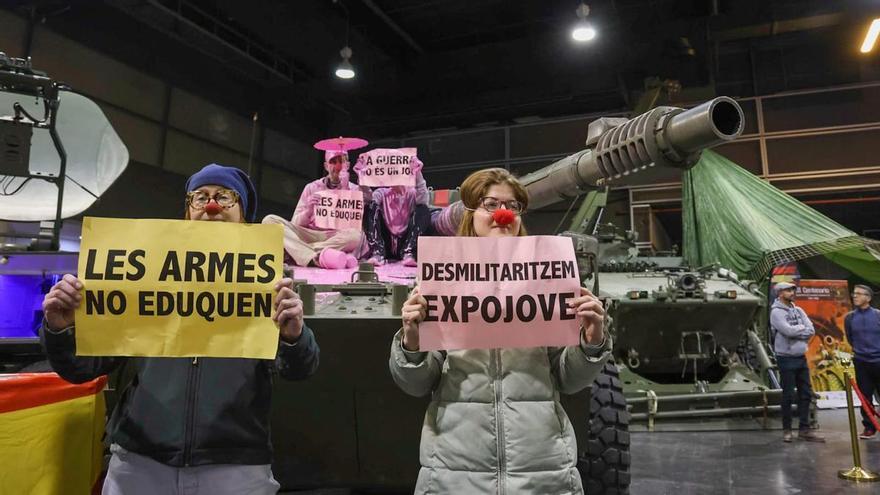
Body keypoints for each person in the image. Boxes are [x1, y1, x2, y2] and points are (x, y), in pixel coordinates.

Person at [41, 164, 320, 495]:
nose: (211, 205)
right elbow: (82, 368)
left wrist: (294, 336)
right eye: (200, 197)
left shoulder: (270, 285)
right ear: (187, 210)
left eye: (224, 197)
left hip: (235, 468)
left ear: (244, 214)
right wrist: (59, 328)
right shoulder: (139, 276)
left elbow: (300, 369)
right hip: (139, 465)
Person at [388, 167, 612, 494]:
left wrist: (591, 342)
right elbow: (416, 384)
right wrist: (411, 340)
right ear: (471, 213)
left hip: (542, 470)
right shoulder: (437, 283)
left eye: (513, 206)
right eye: (490, 204)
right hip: (456, 471)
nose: (503, 214)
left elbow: (568, 379)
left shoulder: (547, 280)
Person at [263, 149, 364, 269]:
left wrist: (345, 189)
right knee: (269, 220)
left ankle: (298, 253)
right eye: (333, 161)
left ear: (348, 165)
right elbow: (295, 223)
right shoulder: (311, 187)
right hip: (309, 233)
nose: (338, 166)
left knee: (355, 236)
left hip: (335, 236)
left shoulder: (355, 190)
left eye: (342, 161)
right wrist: (308, 211)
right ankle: (314, 254)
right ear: (326, 166)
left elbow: (354, 225)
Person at [770, 281, 824, 443]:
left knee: (805, 394)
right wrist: (801, 330)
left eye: (793, 290)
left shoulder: (798, 310)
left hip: (801, 357)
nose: (792, 292)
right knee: (787, 395)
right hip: (786, 358)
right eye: (788, 290)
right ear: (780, 293)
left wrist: (797, 330)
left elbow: (811, 329)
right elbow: (787, 331)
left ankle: (804, 429)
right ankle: (787, 430)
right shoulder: (776, 312)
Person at [360, 158, 431, 266]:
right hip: (386, 242)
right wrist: (362, 177)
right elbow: (368, 201)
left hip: (406, 240)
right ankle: (377, 253)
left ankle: (408, 252)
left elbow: (423, 200)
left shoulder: (412, 193)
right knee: (369, 206)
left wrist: (418, 174)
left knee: (423, 209)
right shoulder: (382, 193)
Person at [845, 284, 880, 439]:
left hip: (879, 361)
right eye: (854, 293)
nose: (855, 296)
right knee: (865, 396)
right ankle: (869, 427)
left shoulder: (878, 315)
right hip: (861, 362)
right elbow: (850, 338)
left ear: (868, 297)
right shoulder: (850, 318)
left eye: (859, 294)